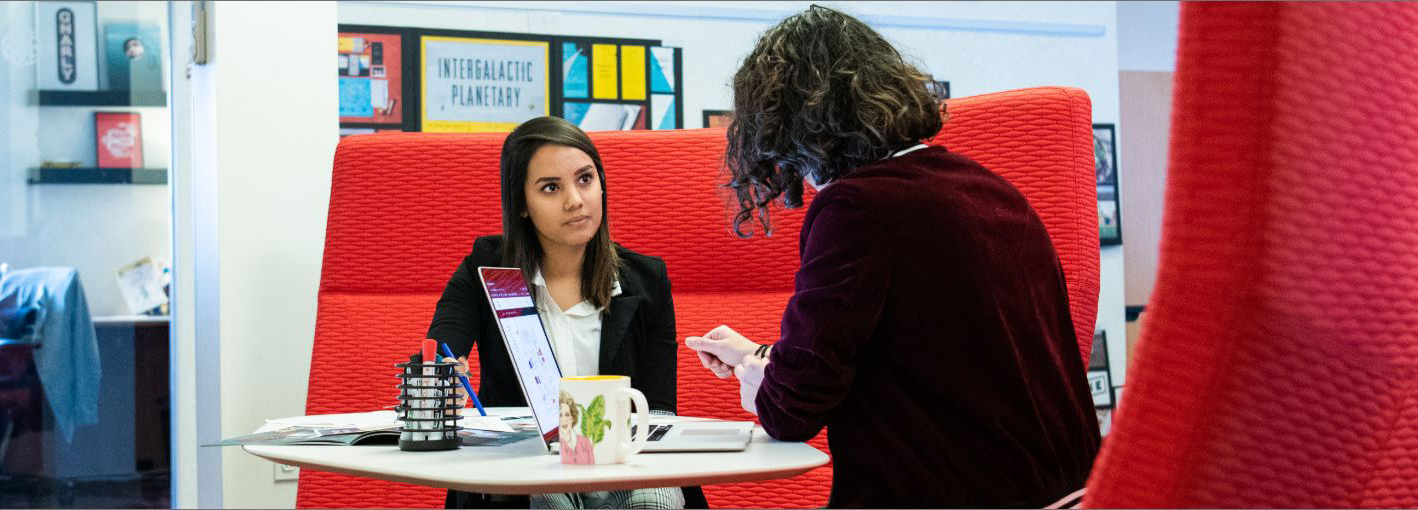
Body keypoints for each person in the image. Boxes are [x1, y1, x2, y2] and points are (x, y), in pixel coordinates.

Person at [683, 6, 1102, 508]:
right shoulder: (988, 187)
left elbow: (789, 410)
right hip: (1069, 491)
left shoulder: (858, 206)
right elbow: (922, 354)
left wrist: (761, 381)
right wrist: (761, 357)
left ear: (782, 125)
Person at [426, 116, 684, 509]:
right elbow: (437, 352)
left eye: (585, 179)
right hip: (528, 461)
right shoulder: (489, 269)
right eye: (551, 187)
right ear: (523, 205)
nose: (575, 201)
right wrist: (442, 379)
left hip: (626, 462)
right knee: (550, 498)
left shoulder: (646, 279)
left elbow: (661, 407)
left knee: (655, 504)